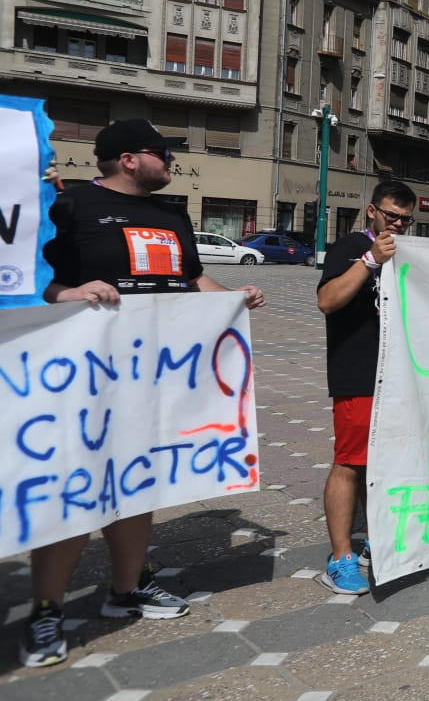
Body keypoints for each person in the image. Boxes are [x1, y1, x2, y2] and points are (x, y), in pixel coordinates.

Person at [19, 119, 266, 668]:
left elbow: (192, 279)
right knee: (77, 489)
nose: (171, 160)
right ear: (129, 159)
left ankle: (126, 589)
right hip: (85, 375)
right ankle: (45, 611)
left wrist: (233, 300)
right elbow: (30, 279)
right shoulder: (71, 208)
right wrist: (70, 292)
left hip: (159, 376)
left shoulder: (172, 214)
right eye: (162, 152)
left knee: (138, 481)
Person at [314, 181, 416, 594]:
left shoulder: (407, 253)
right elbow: (326, 300)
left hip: (396, 376)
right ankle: (340, 557)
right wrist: (370, 260)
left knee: (382, 464)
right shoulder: (350, 247)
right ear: (372, 210)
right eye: (391, 215)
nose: (398, 224)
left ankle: (375, 538)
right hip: (358, 374)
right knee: (351, 462)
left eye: (406, 220)